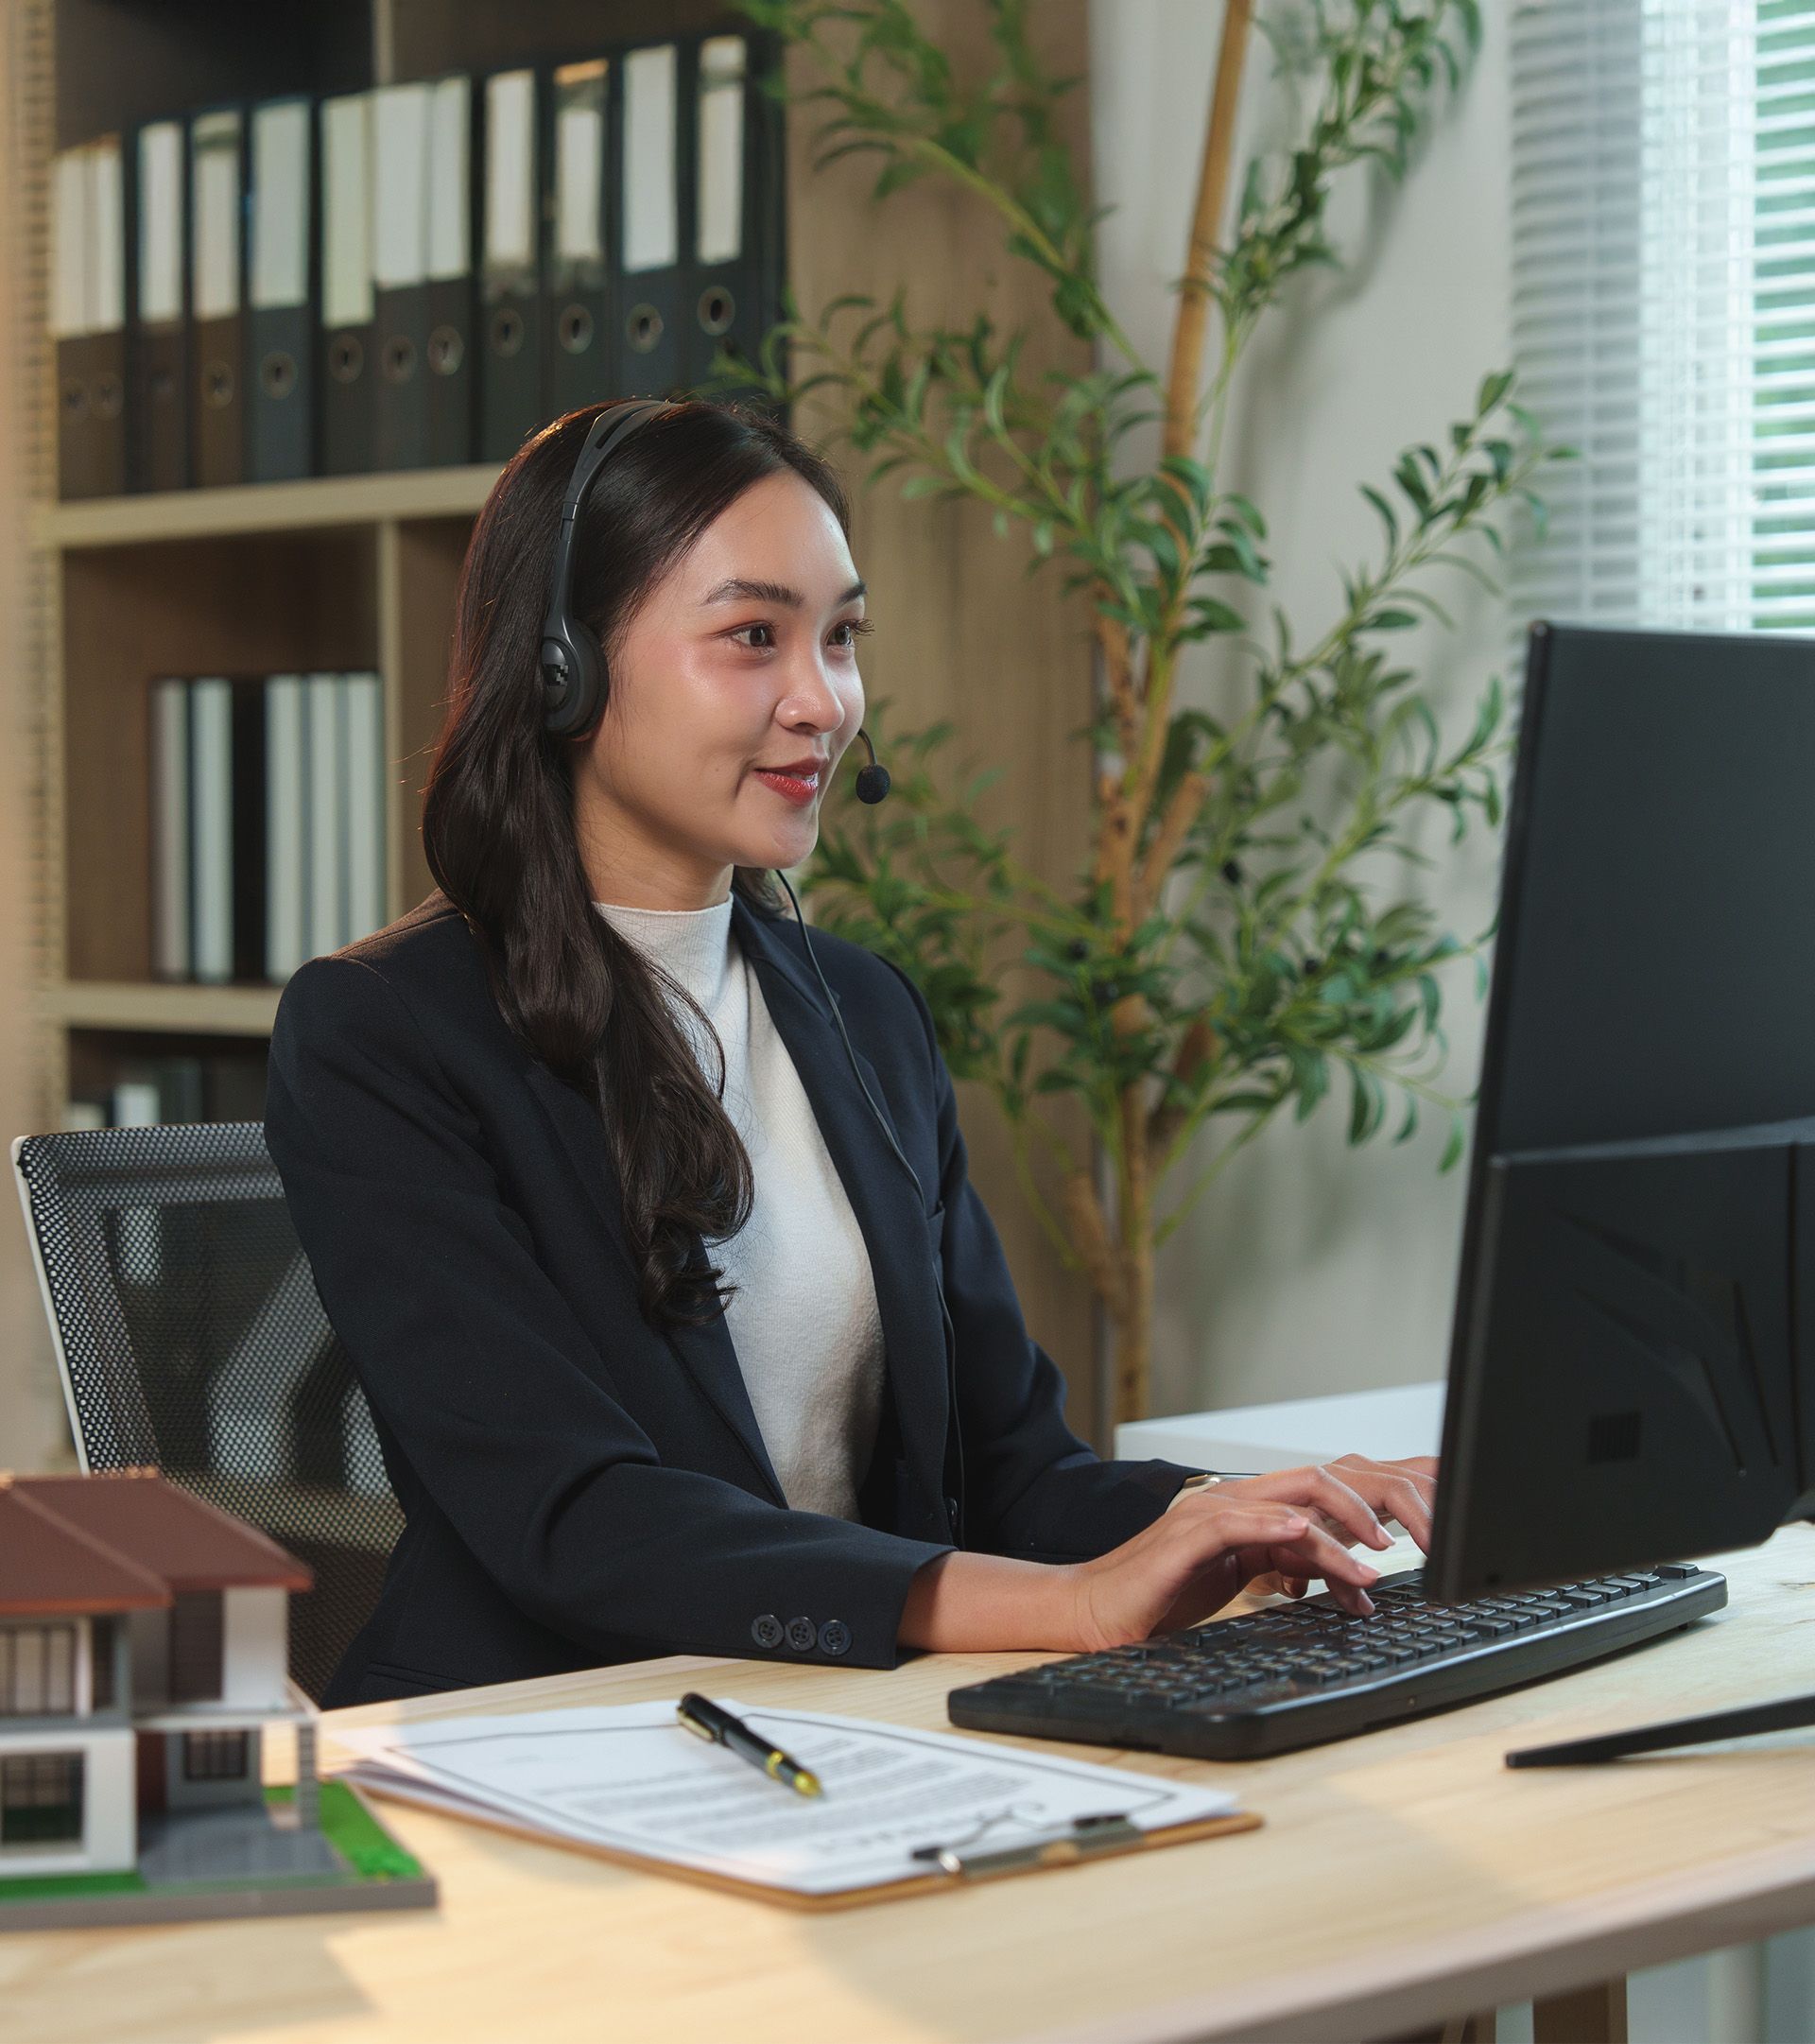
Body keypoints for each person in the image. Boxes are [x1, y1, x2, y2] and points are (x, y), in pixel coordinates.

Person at [265, 396, 1437, 1707]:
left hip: (838, 1719)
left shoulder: (863, 1017)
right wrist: (1066, 1605)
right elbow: (576, 1516)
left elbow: (1010, 1471)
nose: (822, 701)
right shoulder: (384, 1034)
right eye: (754, 637)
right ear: (564, 669)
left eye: (841, 638)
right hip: (542, 1746)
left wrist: (1252, 1513)